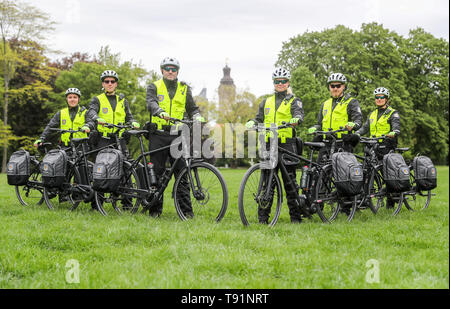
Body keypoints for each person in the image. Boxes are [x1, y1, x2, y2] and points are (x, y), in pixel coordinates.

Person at [145, 57, 205, 218]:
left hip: (177, 136)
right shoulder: (154, 86)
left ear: (178, 71)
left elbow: (192, 108)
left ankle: (186, 212)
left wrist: (197, 115)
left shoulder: (184, 89)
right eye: (167, 69)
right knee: (156, 173)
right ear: (162, 70)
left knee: (182, 174)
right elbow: (150, 103)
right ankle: (155, 211)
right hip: (158, 134)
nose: (170, 71)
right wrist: (159, 111)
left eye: (173, 69)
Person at [245, 68, 304, 224]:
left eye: (283, 81)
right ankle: (263, 219)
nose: (280, 84)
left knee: (290, 182)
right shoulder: (266, 101)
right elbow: (259, 118)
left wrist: (296, 120)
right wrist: (253, 122)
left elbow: (298, 114)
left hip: (287, 145)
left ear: (288, 82)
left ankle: (296, 219)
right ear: (274, 83)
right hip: (268, 144)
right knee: (267, 183)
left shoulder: (294, 100)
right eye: (277, 81)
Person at [308, 72, 362, 160]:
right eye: (332, 86)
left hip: (343, 144)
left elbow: (358, 121)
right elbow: (319, 124)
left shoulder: (352, 102)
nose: (335, 88)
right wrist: (315, 128)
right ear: (329, 87)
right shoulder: (325, 104)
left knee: (341, 172)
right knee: (319, 171)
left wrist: (353, 125)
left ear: (344, 86)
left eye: (338, 86)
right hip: (325, 143)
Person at [85, 70, 140, 157]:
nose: (110, 84)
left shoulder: (122, 101)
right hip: (103, 140)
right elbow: (91, 111)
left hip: (120, 139)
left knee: (126, 165)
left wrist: (133, 121)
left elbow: (129, 117)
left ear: (116, 84)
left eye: (112, 81)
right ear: (103, 84)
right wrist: (97, 118)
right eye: (107, 81)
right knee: (103, 167)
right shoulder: (97, 99)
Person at [355, 87, 400, 160]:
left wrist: (393, 133)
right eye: (377, 97)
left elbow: (396, 127)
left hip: (385, 146)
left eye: (382, 97)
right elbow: (365, 128)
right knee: (367, 166)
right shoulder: (372, 113)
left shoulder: (393, 113)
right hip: (372, 144)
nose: (379, 99)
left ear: (386, 99)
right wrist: (357, 133)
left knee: (385, 169)